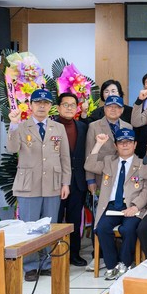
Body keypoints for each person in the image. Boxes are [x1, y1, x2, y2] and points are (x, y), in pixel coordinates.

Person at [7, 89, 71, 282]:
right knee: (30, 226)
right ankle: (30, 266)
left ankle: (47, 263)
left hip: (53, 184)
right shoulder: (21, 126)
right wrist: (13, 125)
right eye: (38, 103)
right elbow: (12, 148)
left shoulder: (58, 128)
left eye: (45, 103)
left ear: (51, 106)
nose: (42, 106)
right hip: (29, 185)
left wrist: (65, 183)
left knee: (48, 226)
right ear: (31, 105)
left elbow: (64, 157)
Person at [85, 129, 147, 280]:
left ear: (135, 144)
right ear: (116, 145)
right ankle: (111, 265)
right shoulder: (109, 161)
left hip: (132, 206)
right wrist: (99, 144)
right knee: (101, 228)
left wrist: (135, 207)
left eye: (129, 142)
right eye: (121, 142)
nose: (125, 145)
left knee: (128, 229)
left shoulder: (142, 164)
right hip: (112, 206)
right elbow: (89, 165)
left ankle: (125, 263)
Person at [55, 92, 89, 267]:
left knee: (75, 219)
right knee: (55, 219)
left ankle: (74, 254)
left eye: (72, 105)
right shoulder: (51, 126)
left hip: (77, 181)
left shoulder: (82, 127)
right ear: (58, 107)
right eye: (65, 105)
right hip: (56, 182)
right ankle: (54, 255)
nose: (69, 108)